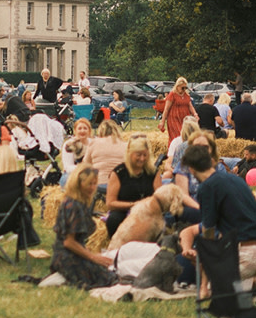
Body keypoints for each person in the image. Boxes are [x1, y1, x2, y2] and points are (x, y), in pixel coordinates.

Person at [179, 144, 256, 296]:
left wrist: (205, 286)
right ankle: (242, 311)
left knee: (206, 265)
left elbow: (209, 236)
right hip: (249, 250)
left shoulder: (207, 187)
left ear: (191, 169)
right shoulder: (237, 180)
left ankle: (229, 314)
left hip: (244, 254)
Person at [50, 164, 118, 289]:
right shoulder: (73, 206)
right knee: (107, 279)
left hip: (68, 255)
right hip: (67, 258)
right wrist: (93, 257)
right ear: (78, 184)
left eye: (94, 183)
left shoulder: (77, 203)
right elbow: (69, 242)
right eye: (89, 184)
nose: (92, 188)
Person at [104, 135, 162, 237]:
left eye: (145, 155)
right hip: (124, 210)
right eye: (138, 155)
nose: (142, 158)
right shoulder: (119, 172)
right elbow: (110, 203)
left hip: (148, 210)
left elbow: (160, 198)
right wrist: (133, 205)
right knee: (114, 220)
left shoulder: (154, 172)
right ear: (130, 154)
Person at [83, 119, 127, 187]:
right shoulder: (125, 145)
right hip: (121, 185)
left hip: (99, 184)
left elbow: (85, 165)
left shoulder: (94, 143)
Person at [158, 76, 198, 143]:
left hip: (185, 119)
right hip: (174, 119)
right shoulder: (172, 95)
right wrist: (162, 121)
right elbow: (166, 109)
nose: (184, 89)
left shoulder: (186, 95)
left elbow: (190, 106)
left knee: (186, 136)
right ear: (177, 86)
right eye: (182, 88)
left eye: (185, 88)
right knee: (177, 137)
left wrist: (195, 114)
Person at [60, 118, 94, 187]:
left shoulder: (93, 143)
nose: (82, 131)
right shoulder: (69, 144)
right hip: (73, 173)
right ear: (75, 131)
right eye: (79, 128)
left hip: (92, 172)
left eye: (85, 128)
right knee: (66, 180)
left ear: (89, 131)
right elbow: (68, 167)